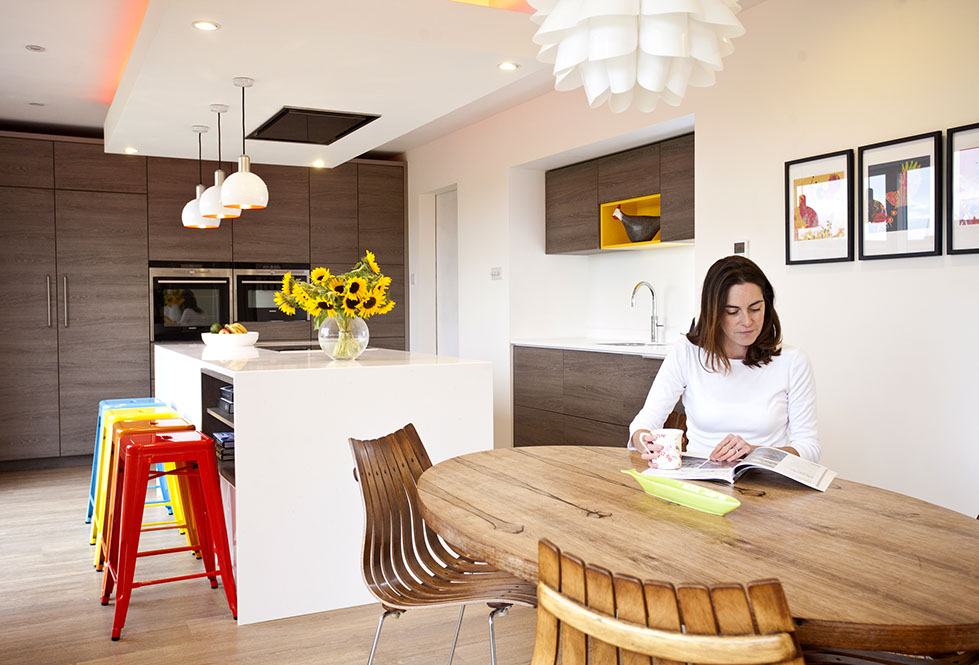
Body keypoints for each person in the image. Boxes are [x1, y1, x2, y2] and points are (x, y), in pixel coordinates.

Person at [630, 255, 819, 466]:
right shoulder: (686, 353)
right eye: (732, 312)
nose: (747, 321)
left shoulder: (793, 361)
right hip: (699, 477)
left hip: (765, 478)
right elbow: (645, 422)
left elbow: (809, 448)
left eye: (755, 309)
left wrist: (756, 453)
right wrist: (644, 440)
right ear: (714, 313)